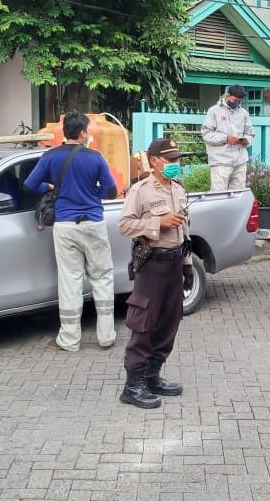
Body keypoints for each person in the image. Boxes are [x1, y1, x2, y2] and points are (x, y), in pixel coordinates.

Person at [25, 111, 117, 352]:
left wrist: (52, 186)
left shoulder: (50, 157)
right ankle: (106, 336)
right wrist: (92, 193)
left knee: (69, 280)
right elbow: (111, 191)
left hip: (65, 225)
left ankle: (69, 340)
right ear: (83, 133)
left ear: (65, 132)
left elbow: (29, 184)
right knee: (102, 277)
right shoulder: (96, 158)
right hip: (93, 223)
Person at [117, 138, 192, 409]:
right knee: (144, 323)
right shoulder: (141, 190)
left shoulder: (179, 190)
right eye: (170, 159)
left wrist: (187, 265)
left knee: (169, 322)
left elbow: (184, 231)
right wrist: (157, 223)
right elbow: (125, 225)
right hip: (152, 264)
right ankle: (132, 385)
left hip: (174, 263)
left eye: (176, 159)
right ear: (154, 160)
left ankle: (152, 375)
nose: (175, 164)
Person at [201, 84, 254, 191]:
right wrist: (225, 139)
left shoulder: (244, 113)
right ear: (227, 96)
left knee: (237, 197)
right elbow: (206, 134)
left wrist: (245, 141)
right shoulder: (214, 111)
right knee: (218, 197)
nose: (237, 103)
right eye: (235, 100)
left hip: (240, 162)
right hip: (220, 162)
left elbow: (250, 133)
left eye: (240, 101)